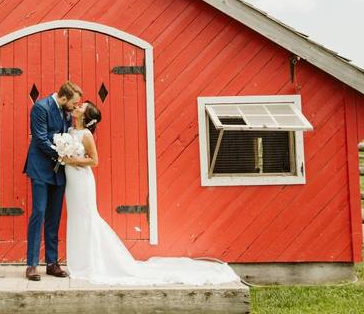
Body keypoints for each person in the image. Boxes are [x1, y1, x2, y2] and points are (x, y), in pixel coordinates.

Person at [61, 100, 241, 285]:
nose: (77, 107)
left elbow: (94, 161)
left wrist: (72, 160)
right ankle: (80, 262)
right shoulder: (69, 132)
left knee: (87, 217)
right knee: (76, 218)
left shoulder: (86, 134)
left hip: (82, 181)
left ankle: (92, 263)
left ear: (85, 116)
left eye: (81, 107)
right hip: (72, 182)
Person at [22, 80, 82, 281]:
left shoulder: (66, 111)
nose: (74, 107)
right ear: (63, 98)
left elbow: (69, 134)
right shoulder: (40, 108)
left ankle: (52, 263)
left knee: (54, 217)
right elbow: (40, 139)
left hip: (59, 172)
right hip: (40, 168)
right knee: (39, 213)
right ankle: (31, 265)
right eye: (73, 103)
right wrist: (62, 154)